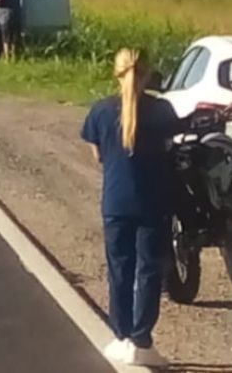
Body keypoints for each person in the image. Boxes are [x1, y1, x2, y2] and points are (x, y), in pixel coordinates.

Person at [81, 49, 181, 369]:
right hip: (153, 200)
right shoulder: (162, 110)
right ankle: (142, 339)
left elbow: (97, 156)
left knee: (119, 270)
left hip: (115, 201)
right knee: (149, 270)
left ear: (117, 72)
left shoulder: (100, 111)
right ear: (148, 73)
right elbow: (169, 149)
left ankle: (121, 335)